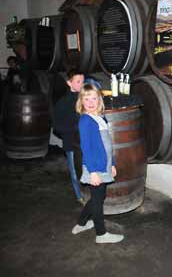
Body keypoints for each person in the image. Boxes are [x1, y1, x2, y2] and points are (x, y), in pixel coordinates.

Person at [71, 83, 124, 243]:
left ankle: (81, 223)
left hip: (104, 165)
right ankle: (101, 234)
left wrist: (112, 164)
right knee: (97, 200)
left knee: (97, 198)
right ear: (81, 102)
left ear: (99, 100)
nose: (91, 102)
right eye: (87, 99)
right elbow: (86, 148)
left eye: (94, 98)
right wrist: (93, 172)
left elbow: (108, 144)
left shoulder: (100, 117)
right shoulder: (86, 121)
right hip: (94, 166)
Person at [53, 69, 85, 205]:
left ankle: (89, 194)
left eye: (83, 81)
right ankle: (79, 196)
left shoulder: (86, 98)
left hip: (85, 142)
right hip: (71, 142)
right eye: (78, 82)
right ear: (69, 83)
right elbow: (56, 127)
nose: (81, 85)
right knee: (74, 171)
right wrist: (74, 129)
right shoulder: (63, 103)